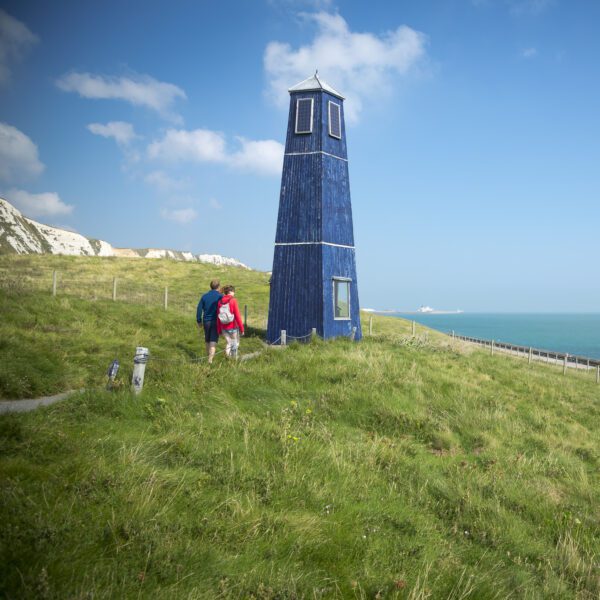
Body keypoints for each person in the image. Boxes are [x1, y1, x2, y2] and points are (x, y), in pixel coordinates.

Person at [196, 279, 223, 364]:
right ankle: (210, 360)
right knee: (213, 340)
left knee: (207, 340)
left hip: (206, 321)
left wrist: (199, 320)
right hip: (216, 321)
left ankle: (208, 357)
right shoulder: (220, 296)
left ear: (210, 287)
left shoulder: (204, 296)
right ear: (218, 287)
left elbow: (199, 309)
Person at [216, 285, 244, 358]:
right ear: (231, 292)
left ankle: (228, 357)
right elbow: (237, 315)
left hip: (223, 327)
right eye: (234, 291)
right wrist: (242, 329)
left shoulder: (220, 301)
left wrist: (219, 330)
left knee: (229, 343)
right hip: (233, 326)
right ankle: (234, 359)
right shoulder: (233, 300)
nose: (234, 293)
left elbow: (218, 316)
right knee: (235, 343)